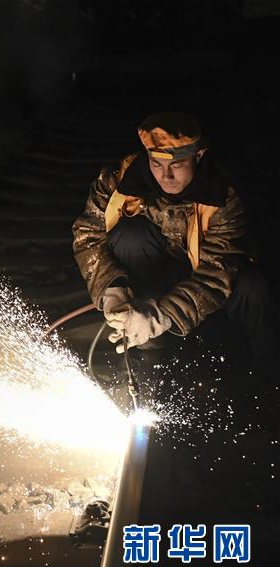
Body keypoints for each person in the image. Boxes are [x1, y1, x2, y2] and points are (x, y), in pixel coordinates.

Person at [72, 112, 277, 377]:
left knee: (254, 288)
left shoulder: (223, 195)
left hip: (207, 277)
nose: (165, 175)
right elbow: (87, 234)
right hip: (152, 270)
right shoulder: (119, 178)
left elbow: (218, 272)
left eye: (177, 165)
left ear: (198, 156)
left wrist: (164, 316)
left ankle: (268, 370)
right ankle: (148, 346)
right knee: (131, 235)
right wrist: (111, 288)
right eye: (156, 164)